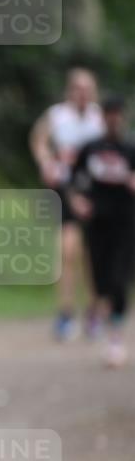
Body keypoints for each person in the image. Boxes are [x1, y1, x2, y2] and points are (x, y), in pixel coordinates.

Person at [30, 68, 105, 340]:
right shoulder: (58, 115)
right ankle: (65, 313)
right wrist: (46, 162)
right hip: (65, 188)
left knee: (94, 256)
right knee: (68, 251)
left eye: (87, 89)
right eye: (77, 88)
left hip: (96, 191)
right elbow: (38, 139)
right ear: (70, 91)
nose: (82, 94)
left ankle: (95, 311)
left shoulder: (101, 117)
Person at [69, 96, 135, 367]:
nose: (114, 119)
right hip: (97, 223)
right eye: (109, 114)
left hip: (126, 222)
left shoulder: (130, 149)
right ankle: (96, 310)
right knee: (100, 280)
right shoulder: (90, 148)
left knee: (119, 280)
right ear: (103, 117)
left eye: (118, 114)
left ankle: (115, 338)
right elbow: (71, 181)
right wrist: (78, 200)